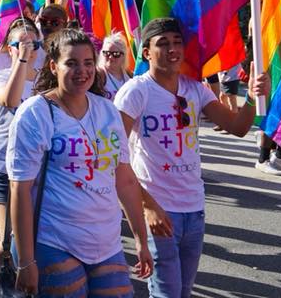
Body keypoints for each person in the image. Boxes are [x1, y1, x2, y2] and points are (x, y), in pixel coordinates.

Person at [114, 17, 268, 298]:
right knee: (166, 294)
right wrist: (147, 205)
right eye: (163, 44)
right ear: (146, 52)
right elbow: (115, 156)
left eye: (177, 42)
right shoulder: (136, 92)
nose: (172, 49)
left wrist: (252, 99)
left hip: (194, 209)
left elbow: (238, 127)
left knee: (183, 293)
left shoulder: (196, 88)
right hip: (160, 209)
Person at [8, 28, 153, 297]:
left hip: (106, 244)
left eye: (88, 63)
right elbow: (20, 189)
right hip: (53, 241)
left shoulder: (107, 110)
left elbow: (126, 179)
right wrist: (27, 261)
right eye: (71, 63)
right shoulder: (35, 113)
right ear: (53, 66)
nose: (82, 71)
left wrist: (141, 241)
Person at [0, 18, 39, 298]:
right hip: (6, 169)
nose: (28, 48)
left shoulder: (45, 80)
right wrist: (21, 61)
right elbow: (11, 100)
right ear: (10, 48)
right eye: (21, 43)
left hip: (39, 172)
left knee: (33, 241)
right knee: (9, 240)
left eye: (34, 44)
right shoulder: (1, 75)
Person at [98, 31, 131, 100]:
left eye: (116, 54)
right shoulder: (98, 75)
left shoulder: (129, 75)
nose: (110, 57)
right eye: (107, 53)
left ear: (124, 56)